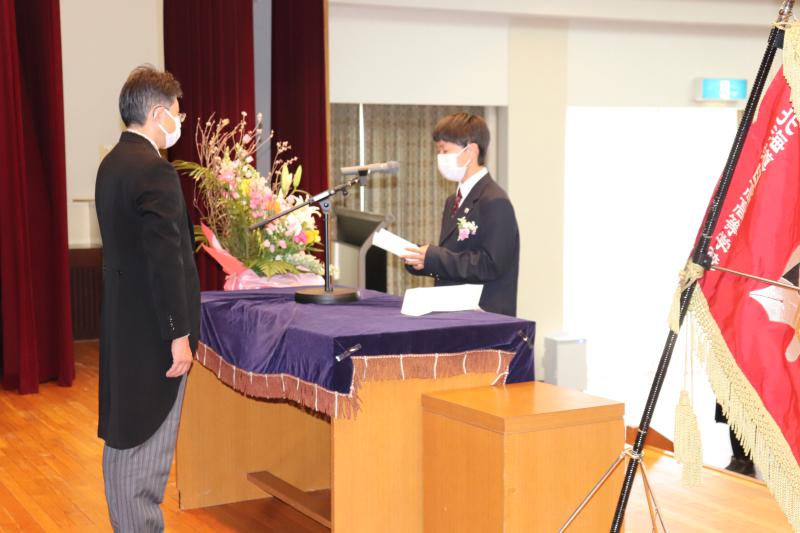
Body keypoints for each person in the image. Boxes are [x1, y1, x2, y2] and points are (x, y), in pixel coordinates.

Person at [95, 65, 200, 532]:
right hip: (155, 334)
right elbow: (165, 260)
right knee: (148, 448)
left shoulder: (112, 163)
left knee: (125, 438)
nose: (180, 123)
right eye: (177, 113)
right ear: (158, 114)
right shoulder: (155, 169)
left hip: (124, 325)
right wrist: (178, 335)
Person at [403, 112, 520, 316]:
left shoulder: (495, 201)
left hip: (484, 316)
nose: (440, 157)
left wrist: (434, 256)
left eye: (445, 150)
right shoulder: (453, 200)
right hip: (454, 311)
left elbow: (491, 264)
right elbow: (454, 253)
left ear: (471, 151)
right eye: (438, 151)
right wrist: (422, 259)